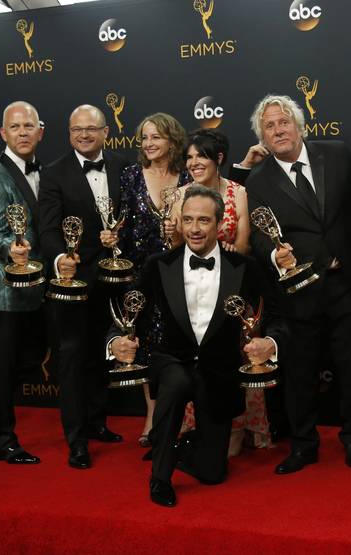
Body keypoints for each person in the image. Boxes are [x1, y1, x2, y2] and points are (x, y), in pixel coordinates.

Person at [108, 185, 287, 507]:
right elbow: (127, 312)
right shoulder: (158, 265)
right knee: (175, 384)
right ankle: (160, 478)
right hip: (171, 359)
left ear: (219, 224)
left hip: (218, 369)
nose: (193, 228)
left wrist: (268, 342)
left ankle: (183, 446)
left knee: (213, 474)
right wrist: (116, 341)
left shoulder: (243, 267)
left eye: (203, 220)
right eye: (187, 220)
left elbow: (276, 314)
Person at [244, 94, 351, 474]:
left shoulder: (336, 155)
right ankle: (303, 444)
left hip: (348, 283)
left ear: (299, 125)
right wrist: (274, 256)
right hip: (298, 291)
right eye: (269, 126)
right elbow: (259, 235)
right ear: (263, 137)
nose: (278, 130)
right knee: (299, 373)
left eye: (283, 122)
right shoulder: (259, 179)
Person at [38, 104, 127, 469]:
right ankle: (77, 440)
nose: (85, 135)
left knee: (101, 353)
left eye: (92, 129)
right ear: (69, 133)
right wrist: (61, 260)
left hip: (115, 278)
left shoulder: (124, 166)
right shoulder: (54, 171)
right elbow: (47, 227)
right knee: (73, 358)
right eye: (77, 130)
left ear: (106, 131)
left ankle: (96, 422)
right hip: (73, 281)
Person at [175, 128, 267, 454]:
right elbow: (174, 244)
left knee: (238, 357)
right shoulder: (180, 194)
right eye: (189, 157)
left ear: (219, 159)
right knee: (199, 361)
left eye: (201, 155)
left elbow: (242, 245)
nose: (194, 162)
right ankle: (197, 426)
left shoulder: (236, 192)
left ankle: (237, 428)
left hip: (233, 288)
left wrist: (211, 248)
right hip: (193, 290)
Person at [0, 101, 47, 464]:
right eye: (15, 127)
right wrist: (11, 250)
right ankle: (3, 441)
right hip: (0, 290)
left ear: (40, 131)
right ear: (3, 134)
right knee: (2, 370)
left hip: (30, 289)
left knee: (22, 362)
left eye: (28, 126)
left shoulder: (41, 171)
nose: (22, 133)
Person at [116, 112, 190, 447]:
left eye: (156, 137)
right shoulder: (131, 176)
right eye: (144, 138)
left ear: (172, 140)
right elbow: (121, 224)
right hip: (141, 275)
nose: (149, 144)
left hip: (180, 273)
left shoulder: (189, 174)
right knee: (147, 346)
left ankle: (184, 419)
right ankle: (151, 418)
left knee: (181, 345)